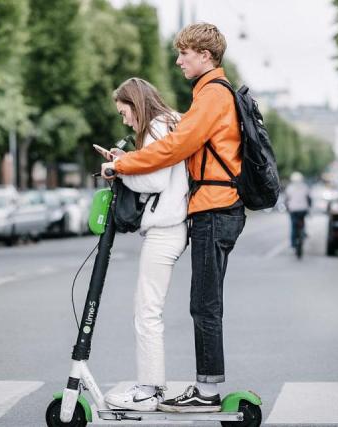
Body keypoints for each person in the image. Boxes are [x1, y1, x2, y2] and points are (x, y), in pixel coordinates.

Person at [101, 23, 242, 413]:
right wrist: (125, 161)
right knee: (202, 303)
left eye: (184, 53)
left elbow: (176, 148)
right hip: (208, 209)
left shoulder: (213, 94)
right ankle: (201, 388)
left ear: (206, 55)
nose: (178, 60)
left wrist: (123, 164)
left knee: (204, 305)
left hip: (216, 207)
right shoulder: (204, 96)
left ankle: (205, 392)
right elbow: (178, 143)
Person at [101, 78, 188, 412]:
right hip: (171, 227)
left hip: (165, 228)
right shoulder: (169, 122)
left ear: (136, 104)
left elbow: (154, 179)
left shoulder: (156, 126)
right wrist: (129, 160)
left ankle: (149, 391)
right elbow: (154, 167)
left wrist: (119, 169)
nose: (124, 120)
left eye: (125, 112)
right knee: (148, 309)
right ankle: (151, 387)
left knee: (147, 311)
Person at [284, 171, 311, 248]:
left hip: (293, 210)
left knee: (293, 226)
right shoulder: (305, 187)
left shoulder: (290, 188)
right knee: (302, 221)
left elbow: (286, 200)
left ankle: (293, 243)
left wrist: (287, 208)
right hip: (303, 209)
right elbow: (309, 199)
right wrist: (309, 207)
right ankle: (303, 233)